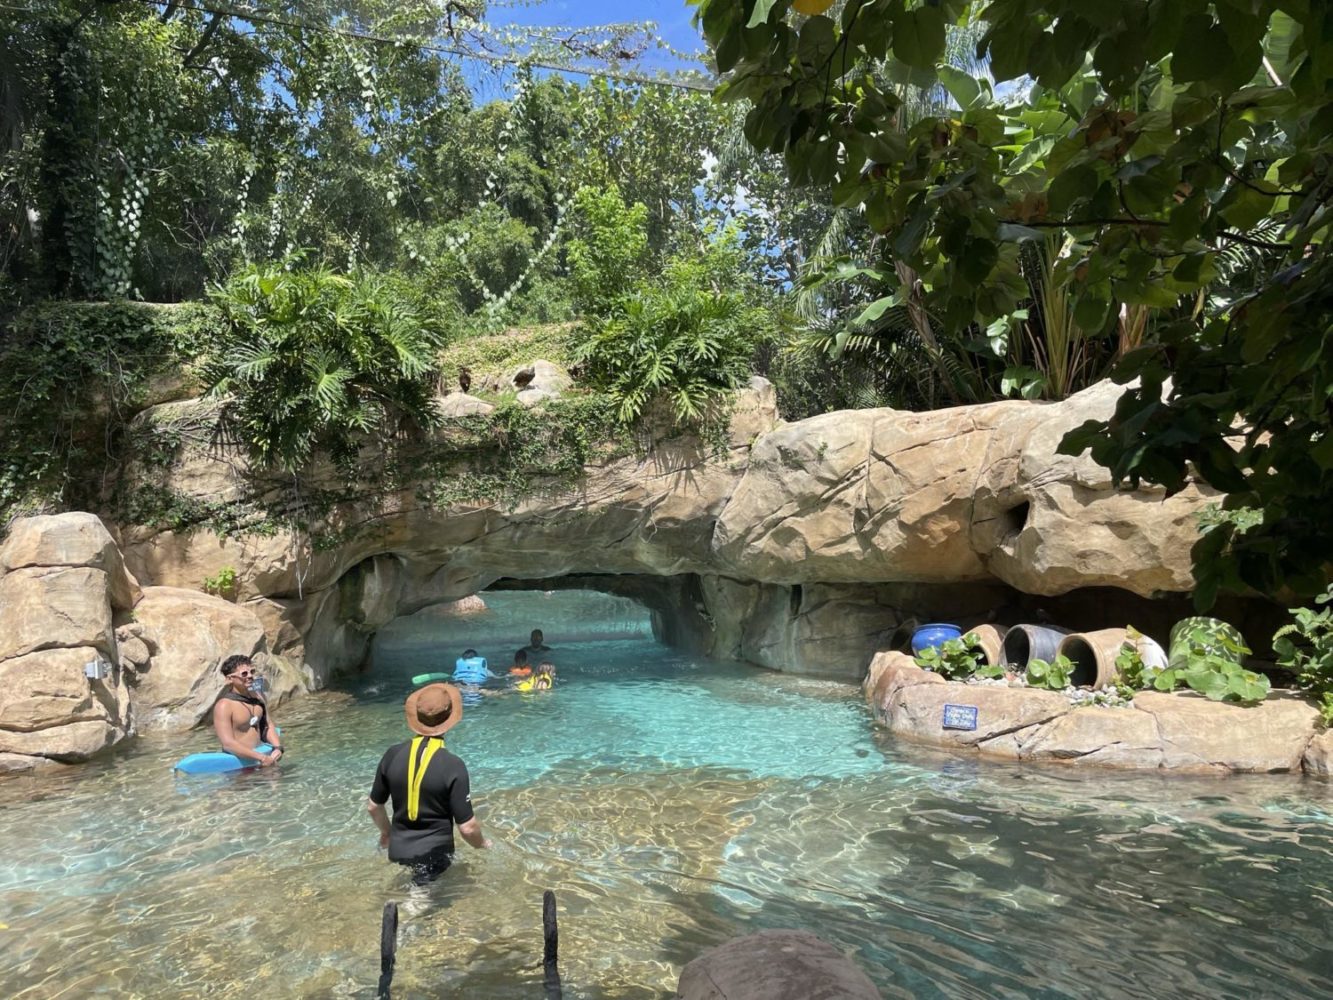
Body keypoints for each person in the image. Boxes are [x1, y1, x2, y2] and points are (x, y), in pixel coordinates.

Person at [367, 683, 489, 885]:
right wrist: (483, 844)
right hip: (435, 857)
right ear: (450, 720)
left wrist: (387, 833)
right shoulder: (453, 765)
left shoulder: (392, 754)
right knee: (419, 898)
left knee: (402, 891)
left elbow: (373, 807)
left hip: (396, 850)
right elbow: (468, 828)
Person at [213, 654, 285, 766]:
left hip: (263, 757)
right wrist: (261, 758)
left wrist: (278, 748)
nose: (250, 676)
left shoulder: (257, 697)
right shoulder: (224, 706)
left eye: (252, 671)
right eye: (244, 674)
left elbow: (268, 725)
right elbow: (228, 744)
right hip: (239, 764)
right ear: (229, 679)